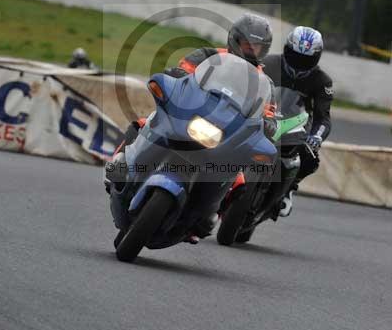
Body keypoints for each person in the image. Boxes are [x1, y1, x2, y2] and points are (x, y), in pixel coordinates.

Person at [106, 13, 277, 242]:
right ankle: (118, 167)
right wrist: (176, 75)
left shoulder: (264, 83)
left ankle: (206, 217)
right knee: (142, 124)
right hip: (189, 117)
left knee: (239, 182)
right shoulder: (209, 55)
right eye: (248, 44)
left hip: (225, 135)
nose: (251, 51)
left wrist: (268, 125)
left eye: (257, 47)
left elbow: (269, 113)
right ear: (235, 39)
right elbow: (183, 71)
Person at [263, 26, 334, 217]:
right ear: (286, 49)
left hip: (296, 129)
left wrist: (315, 138)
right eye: (295, 56)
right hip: (264, 118)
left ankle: (289, 188)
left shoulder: (322, 82)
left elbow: (323, 118)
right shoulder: (267, 63)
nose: (299, 63)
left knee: (310, 158)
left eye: (306, 60)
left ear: (316, 58)